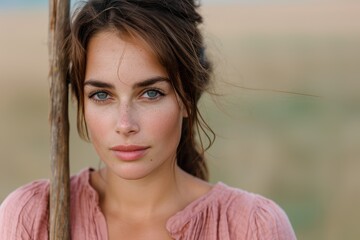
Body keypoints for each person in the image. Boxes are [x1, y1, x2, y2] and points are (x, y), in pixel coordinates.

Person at [0, 0, 296, 239]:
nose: (125, 124)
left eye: (151, 93)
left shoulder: (252, 228)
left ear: (187, 97)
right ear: (81, 101)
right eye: (102, 96)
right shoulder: (34, 218)